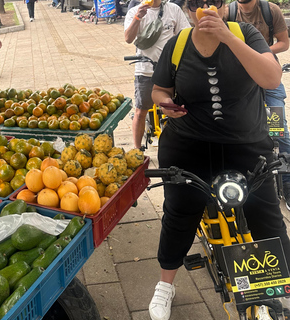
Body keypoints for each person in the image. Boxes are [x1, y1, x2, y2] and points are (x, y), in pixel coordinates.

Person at [149, 1, 290, 319]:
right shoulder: (178, 44)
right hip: (188, 146)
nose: (203, 9)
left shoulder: (247, 33)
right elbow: (158, 90)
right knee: (180, 214)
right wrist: (165, 103)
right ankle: (165, 285)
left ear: (224, 8)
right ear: (187, 10)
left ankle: (272, 290)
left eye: (210, 2)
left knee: (266, 219)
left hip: (246, 146)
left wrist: (228, 37)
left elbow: (270, 79)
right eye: (195, 4)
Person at [225, 0, 290, 211]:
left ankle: (288, 184)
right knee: (239, 131)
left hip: (269, 81)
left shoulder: (270, 11)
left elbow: (284, 42)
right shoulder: (228, 12)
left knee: (278, 131)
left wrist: (259, 53)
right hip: (240, 83)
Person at [124, 0, 190, 150]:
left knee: (176, 107)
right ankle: (137, 149)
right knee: (141, 111)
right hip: (145, 69)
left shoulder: (173, 9)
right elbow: (128, 38)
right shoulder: (134, 11)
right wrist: (137, 18)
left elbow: (185, 35)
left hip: (169, 70)